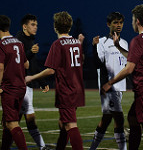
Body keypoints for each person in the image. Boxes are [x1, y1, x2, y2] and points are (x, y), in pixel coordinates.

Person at [102, 4, 143, 150]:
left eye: (132, 20)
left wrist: (110, 82)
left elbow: (129, 68)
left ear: (137, 21)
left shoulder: (138, 40)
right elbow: (134, 58)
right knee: (132, 118)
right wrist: (118, 46)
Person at [25, 11, 85, 150]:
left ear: (55, 27)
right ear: (69, 26)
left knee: (70, 125)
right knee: (63, 124)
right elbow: (80, 60)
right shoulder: (76, 43)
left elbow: (51, 69)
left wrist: (31, 77)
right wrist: (80, 43)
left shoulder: (58, 44)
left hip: (67, 90)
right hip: (77, 89)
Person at [89, 12, 128, 150]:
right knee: (119, 119)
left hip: (120, 87)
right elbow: (98, 64)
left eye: (121, 22)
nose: (119, 25)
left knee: (106, 120)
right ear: (108, 24)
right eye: (115, 22)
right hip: (108, 87)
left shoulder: (124, 43)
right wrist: (93, 47)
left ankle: (92, 148)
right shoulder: (102, 42)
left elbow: (128, 63)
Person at [16, 14, 49, 150]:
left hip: (27, 85)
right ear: (25, 26)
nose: (36, 27)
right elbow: (18, 63)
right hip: (19, 85)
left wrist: (41, 81)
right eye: (32, 25)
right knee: (27, 119)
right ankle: (42, 147)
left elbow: (33, 64)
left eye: (36, 24)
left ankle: (42, 146)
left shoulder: (29, 41)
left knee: (14, 121)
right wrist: (29, 52)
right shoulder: (18, 41)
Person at [0, 15, 29, 150]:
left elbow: (0, 67)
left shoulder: (1, 44)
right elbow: (26, 64)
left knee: (12, 123)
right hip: (20, 87)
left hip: (9, 88)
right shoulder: (18, 43)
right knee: (7, 122)